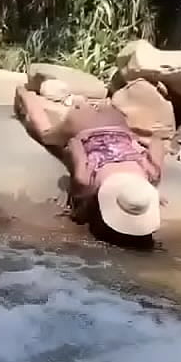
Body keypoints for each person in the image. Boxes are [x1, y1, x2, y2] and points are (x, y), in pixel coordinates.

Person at [14, 83, 167, 242]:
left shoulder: (151, 173)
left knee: (59, 136)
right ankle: (24, 94)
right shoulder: (86, 181)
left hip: (115, 117)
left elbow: (157, 142)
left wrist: (132, 143)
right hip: (83, 121)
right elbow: (73, 143)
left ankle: (32, 94)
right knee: (46, 135)